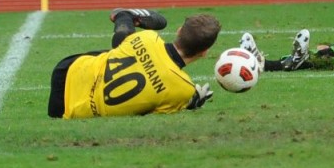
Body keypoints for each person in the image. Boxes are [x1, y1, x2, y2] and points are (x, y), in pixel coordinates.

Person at [48, 9, 220, 118]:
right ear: (204, 52)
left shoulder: (148, 37)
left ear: (179, 31)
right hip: (74, 112)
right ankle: (124, 18)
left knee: (118, 50)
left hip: (66, 72)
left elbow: (119, 41)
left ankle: (125, 17)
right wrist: (190, 101)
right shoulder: (183, 90)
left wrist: (126, 19)